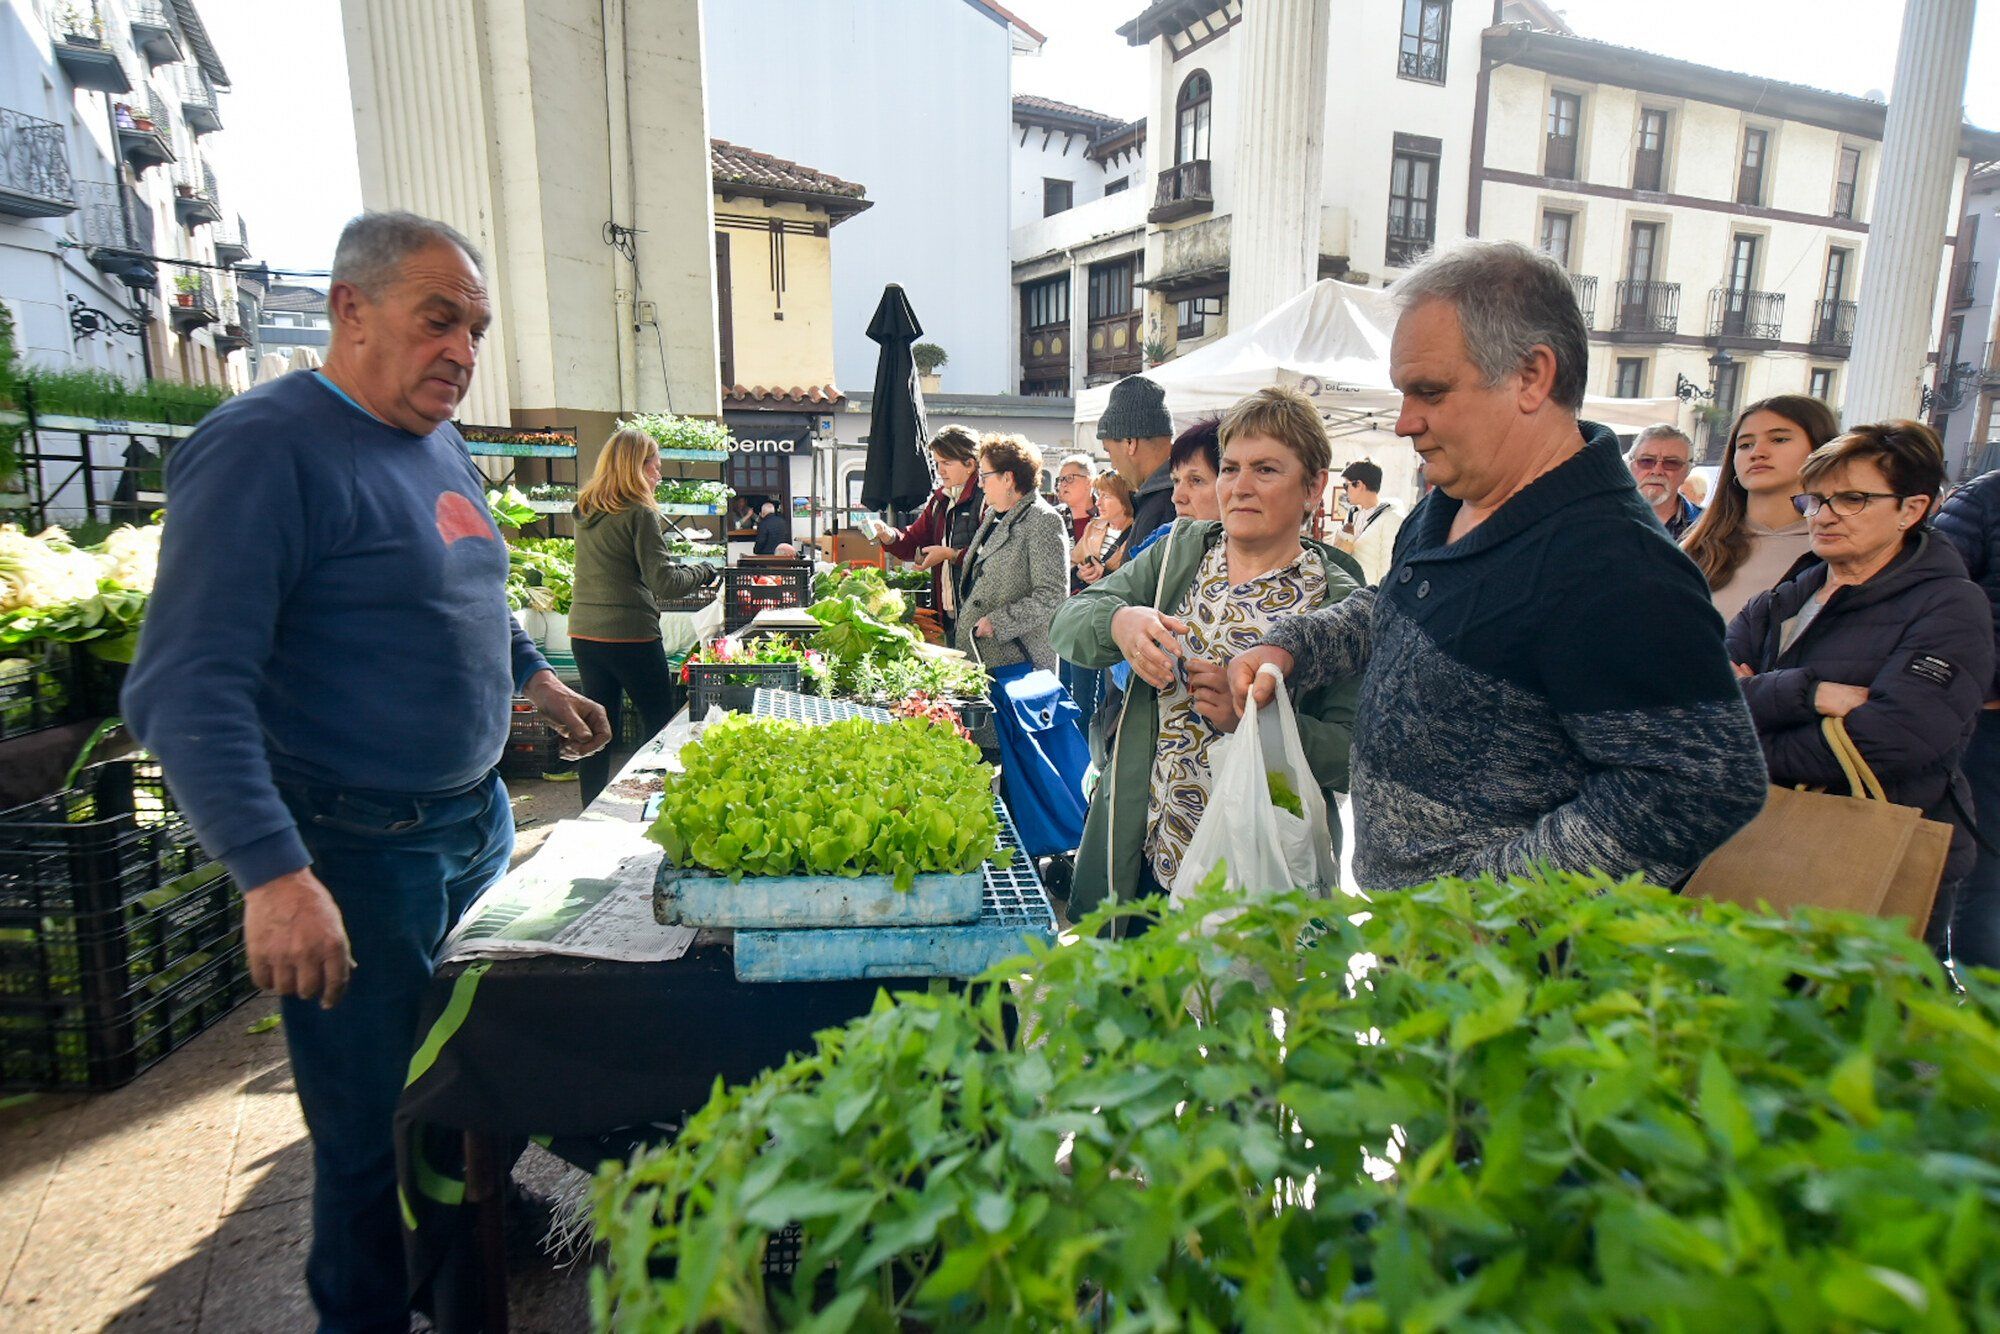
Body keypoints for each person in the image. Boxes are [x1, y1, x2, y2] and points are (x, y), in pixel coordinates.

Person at [121, 211, 612, 1332]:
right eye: (438, 319)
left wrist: (536, 680)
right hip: (355, 847)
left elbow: (469, 589)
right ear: (351, 310)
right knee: (366, 1131)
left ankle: (459, 1255)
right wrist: (274, 873)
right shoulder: (262, 449)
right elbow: (182, 687)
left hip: (473, 829)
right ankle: (366, 1308)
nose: (461, 350)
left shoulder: (434, 439)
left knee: (471, 1080)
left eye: (475, 329)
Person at [1230, 239, 1766, 892]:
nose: (1404, 423)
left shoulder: (1617, 566)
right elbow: (1392, 610)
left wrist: (1485, 909)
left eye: (1429, 391)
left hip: (1500, 977)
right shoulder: (1450, 501)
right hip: (1414, 942)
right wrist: (1292, 648)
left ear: (1532, 377)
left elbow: (1699, 783)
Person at [1053, 386, 1362, 919]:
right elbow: (1068, 624)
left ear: (1314, 487)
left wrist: (1257, 722)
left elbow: (1355, 758)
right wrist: (1120, 620)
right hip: (1146, 856)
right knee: (1136, 998)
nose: (1239, 487)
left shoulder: (1338, 601)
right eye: (1231, 468)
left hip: (1256, 876)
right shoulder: (1179, 551)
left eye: (1266, 470)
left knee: (1237, 1000)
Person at [1731, 421, 1992, 955]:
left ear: (1912, 509)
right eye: (1816, 499)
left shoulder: (1951, 605)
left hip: (1878, 847)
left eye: (1852, 499)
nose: (1823, 516)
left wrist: (1748, 733)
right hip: (1756, 838)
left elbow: (1894, 740)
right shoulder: (1780, 601)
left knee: (1858, 1027)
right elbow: (1700, 705)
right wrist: (1808, 693)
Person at [571, 426, 714, 805]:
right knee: (659, 725)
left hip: (584, 632)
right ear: (637, 467)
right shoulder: (639, 512)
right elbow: (665, 583)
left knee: (600, 727)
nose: (659, 474)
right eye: (655, 466)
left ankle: (591, 811)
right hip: (629, 633)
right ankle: (660, 807)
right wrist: (703, 570)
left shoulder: (587, 508)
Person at [1682, 395, 1841, 623]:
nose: (1757, 452)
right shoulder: (1696, 549)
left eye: (1779, 440)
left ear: (1820, 449)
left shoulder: (1840, 546)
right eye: (1745, 444)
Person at [1936, 467, 2000, 968]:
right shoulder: (1987, 498)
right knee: (1988, 879)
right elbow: (1942, 602)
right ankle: (1980, 1023)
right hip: (1991, 722)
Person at [954, 433, 1070, 673]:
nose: (980, 484)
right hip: (983, 657)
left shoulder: (1043, 519)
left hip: (1017, 666)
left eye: (984, 476)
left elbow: (1052, 594)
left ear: (1008, 478)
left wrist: (998, 622)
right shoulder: (992, 515)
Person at [870, 424, 985, 633]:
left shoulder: (986, 499)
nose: (940, 470)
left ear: (970, 464)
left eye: (947, 463)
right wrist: (889, 536)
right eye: (937, 463)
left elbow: (994, 556)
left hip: (981, 617)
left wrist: (950, 554)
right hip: (947, 614)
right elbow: (913, 541)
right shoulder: (939, 501)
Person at [1097, 375, 1177, 548]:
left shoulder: (1168, 502)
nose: (1113, 466)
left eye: (1109, 451)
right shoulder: (1171, 495)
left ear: (1130, 443)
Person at [1625, 423, 1703, 539]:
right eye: (1646, 461)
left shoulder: (1709, 525)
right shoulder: (1602, 520)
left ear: (1688, 470)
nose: (1657, 471)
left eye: (1671, 463)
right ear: (1630, 465)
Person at [1334, 459, 1403, 586]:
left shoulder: (1390, 519)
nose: (1345, 491)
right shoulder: (1353, 515)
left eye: (1346, 485)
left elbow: (1388, 566)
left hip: (1370, 595)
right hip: (1347, 590)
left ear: (1359, 485)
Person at [1074, 471, 1132, 585]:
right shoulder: (1093, 527)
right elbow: (1073, 562)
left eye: (1106, 496)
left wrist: (1105, 574)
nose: (1098, 503)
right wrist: (1080, 573)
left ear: (1125, 499)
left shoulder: (1138, 530)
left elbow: (1137, 580)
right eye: (1098, 495)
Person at [1054, 453, 1097, 545]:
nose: (1063, 484)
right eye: (1061, 479)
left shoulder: (1108, 515)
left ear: (1089, 482)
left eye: (1069, 478)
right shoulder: (1053, 517)